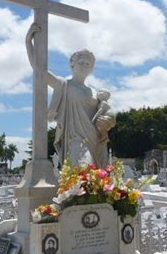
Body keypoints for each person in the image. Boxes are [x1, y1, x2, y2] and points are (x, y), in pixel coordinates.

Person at [26, 23, 116, 168]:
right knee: (84, 170)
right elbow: (40, 70)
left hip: (96, 141)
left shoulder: (95, 93)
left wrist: (110, 118)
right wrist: (28, 42)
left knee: (98, 179)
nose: (85, 66)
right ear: (72, 64)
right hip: (76, 140)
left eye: (88, 64)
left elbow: (108, 114)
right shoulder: (64, 85)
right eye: (81, 62)